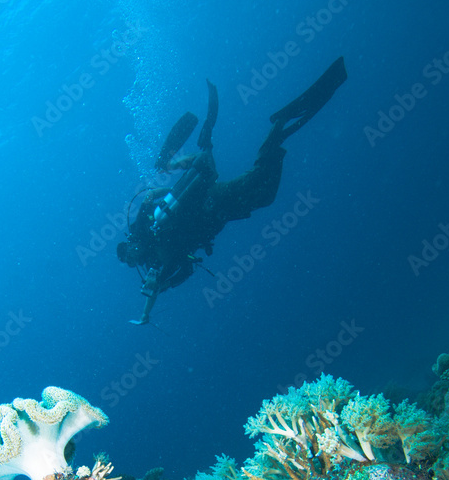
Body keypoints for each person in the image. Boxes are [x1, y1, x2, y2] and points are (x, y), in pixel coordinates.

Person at [117, 56, 347, 324]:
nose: (135, 262)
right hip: (217, 216)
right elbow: (163, 284)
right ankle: (260, 138)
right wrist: (147, 312)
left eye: (130, 257)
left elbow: (147, 196)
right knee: (266, 196)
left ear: (131, 246)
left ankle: (276, 128)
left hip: (210, 202)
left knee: (258, 182)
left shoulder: (145, 230)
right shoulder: (156, 266)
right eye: (131, 262)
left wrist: (169, 182)